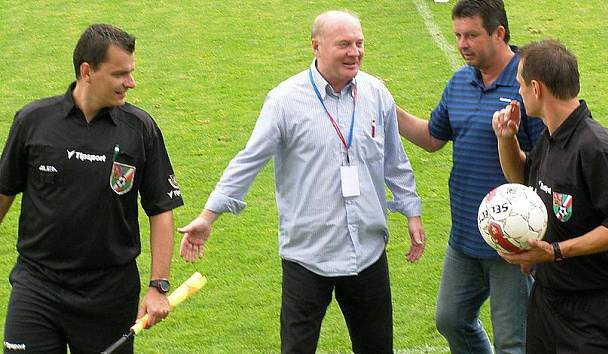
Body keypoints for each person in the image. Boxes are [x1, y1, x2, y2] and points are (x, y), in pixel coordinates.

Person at [178, 10, 425, 354]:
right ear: (316, 47)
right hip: (308, 256)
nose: (354, 52)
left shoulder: (377, 93)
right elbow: (249, 161)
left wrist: (411, 212)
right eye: (344, 44)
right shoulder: (284, 100)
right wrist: (208, 216)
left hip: (367, 253)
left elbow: (395, 161)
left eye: (359, 43)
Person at [0, 24, 183, 353]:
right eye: (120, 74)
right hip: (37, 287)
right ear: (87, 71)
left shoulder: (139, 129)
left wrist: (159, 285)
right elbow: (3, 192)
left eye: (131, 72)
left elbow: (161, 209)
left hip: (109, 295)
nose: (131, 82)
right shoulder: (33, 121)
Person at [395, 0, 545, 352]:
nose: (462, 44)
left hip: (513, 240)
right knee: (451, 318)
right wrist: (389, 108)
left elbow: (547, 163)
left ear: (499, 33)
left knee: (513, 341)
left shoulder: (528, 84)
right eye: (458, 35)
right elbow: (433, 138)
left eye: (472, 35)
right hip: (464, 235)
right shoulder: (461, 80)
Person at [493, 39, 608, 354]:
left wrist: (555, 251)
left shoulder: (595, 147)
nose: (520, 93)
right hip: (547, 301)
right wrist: (506, 139)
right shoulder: (552, 135)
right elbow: (524, 179)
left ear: (537, 89)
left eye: (521, 86)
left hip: (592, 311)